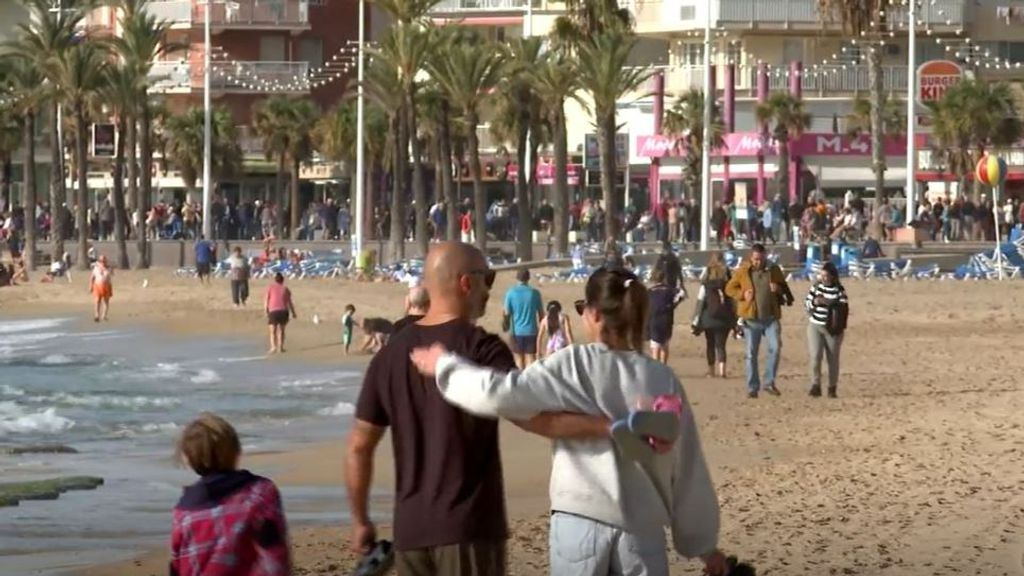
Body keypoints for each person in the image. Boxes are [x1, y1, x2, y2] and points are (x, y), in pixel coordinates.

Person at [407, 267, 728, 576]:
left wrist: (446, 367)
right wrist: (703, 545)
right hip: (642, 529)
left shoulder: (574, 363)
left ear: (595, 315)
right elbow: (686, 466)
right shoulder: (661, 377)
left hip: (581, 519)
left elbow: (502, 393)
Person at [346, 242, 607, 575]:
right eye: (488, 279)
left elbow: (358, 446)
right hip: (469, 530)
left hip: (410, 533)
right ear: (466, 283)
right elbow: (536, 418)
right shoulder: (481, 347)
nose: (488, 290)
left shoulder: (390, 356)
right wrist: (610, 427)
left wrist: (360, 520)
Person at [170, 413, 290, 576]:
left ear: (189, 459)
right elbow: (275, 556)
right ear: (236, 450)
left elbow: (178, 565)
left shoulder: (184, 510)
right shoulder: (260, 492)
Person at [725, 243, 791, 399]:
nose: (758, 262)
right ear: (751, 257)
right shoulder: (743, 271)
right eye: (755, 259)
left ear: (765, 256)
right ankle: (752, 387)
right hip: (751, 319)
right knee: (751, 354)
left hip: (771, 318)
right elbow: (729, 289)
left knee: (775, 348)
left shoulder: (773, 270)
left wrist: (778, 289)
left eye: (761, 259)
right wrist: (742, 294)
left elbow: (785, 289)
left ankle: (768, 382)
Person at [805, 261, 849, 398]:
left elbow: (844, 308)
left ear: (832, 276)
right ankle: (815, 385)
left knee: (833, 359)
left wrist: (829, 303)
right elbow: (806, 303)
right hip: (815, 326)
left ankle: (832, 387)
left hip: (833, 329)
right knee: (815, 356)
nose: (823, 278)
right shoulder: (816, 287)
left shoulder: (839, 290)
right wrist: (815, 302)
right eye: (822, 275)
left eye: (826, 275)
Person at [693, 252, 735, 378]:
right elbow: (733, 302)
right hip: (724, 318)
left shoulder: (706, 285)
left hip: (708, 317)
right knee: (721, 345)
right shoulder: (727, 284)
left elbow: (700, 303)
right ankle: (722, 371)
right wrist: (735, 319)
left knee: (710, 344)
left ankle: (711, 371)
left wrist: (695, 321)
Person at [503, 268, 544, 369]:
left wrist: (505, 324)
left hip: (516, 331)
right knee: (531, 357)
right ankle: (531, 381)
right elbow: (541, 314)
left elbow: (507, 312)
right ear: (528, 278)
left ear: (517, 278)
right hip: (531, 330)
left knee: (518, 359)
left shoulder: (511, 293)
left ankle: (520, 381)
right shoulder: (534, 293)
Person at [647, 267, 685, 364]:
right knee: (665, 344)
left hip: (654, 320)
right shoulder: (670, 290)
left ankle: (656, 367)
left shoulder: (650, 291)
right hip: (667, 320)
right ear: (664, 278)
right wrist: (673, 305)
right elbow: (682, 294)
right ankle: (664, 366)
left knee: (655, 346)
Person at [265, 272, 297, 354]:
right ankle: (280, 347)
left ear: (275, 280)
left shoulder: (270, 288)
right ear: (282, 280)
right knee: (281, 330)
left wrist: (266, 310)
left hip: (273, 311)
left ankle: (273, 347)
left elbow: (266, 300)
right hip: (283, 311)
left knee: (273, 331)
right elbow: (289, 302)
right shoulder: (285, 289)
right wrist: (293, 313)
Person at [89, 255, 113, 323]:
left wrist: (105, 269)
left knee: (106, 301)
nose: (103, 262)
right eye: (101, 261)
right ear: (99, 261)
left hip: (107, 285)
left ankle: (104, 316)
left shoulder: (109, 268)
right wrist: (90, 286)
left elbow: (112, 274)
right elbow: (92, 278)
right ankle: (96, 315)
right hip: (97, 285)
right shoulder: (96, 268)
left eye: (104, 261)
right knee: (97, 301)